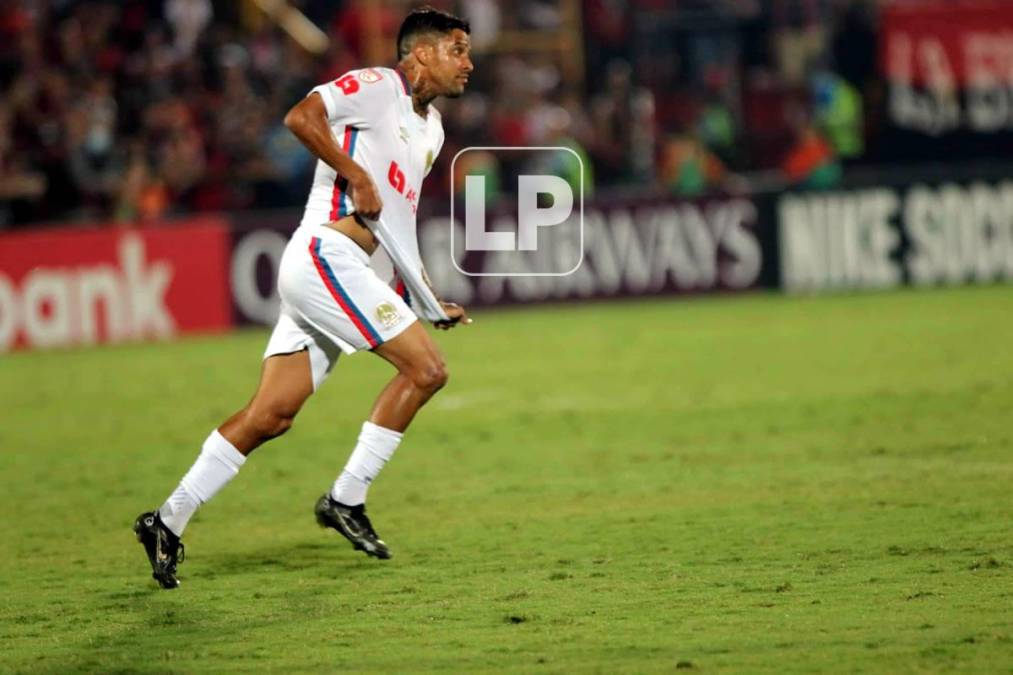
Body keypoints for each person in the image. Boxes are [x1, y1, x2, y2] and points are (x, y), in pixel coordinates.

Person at [133, 7, 474, 589]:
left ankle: (166, 520)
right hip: (325, 256)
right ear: (420, 53)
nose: (468, 63)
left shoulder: (433, 130)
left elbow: (399, 222)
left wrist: (423, 296)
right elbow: (301, 116)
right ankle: (347, 498)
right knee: (427, 370)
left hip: (342, 270)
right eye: (458, 49)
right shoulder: (375, 87)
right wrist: (353, 172)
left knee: (272, 414)